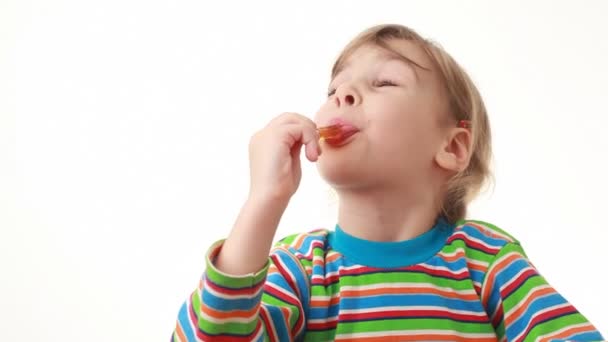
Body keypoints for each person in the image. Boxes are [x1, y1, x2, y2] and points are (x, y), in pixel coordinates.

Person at [172, 24, 604, 341]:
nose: (342, 95)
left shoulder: (486, 261)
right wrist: (263, 200)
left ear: (452, 147)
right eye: (333, 89)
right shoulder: (301, 268)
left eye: (383, 82)